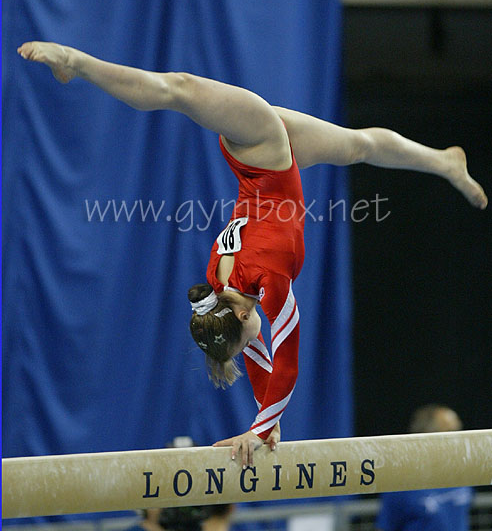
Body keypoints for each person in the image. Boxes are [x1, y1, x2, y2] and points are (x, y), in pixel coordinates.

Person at [17, 41, 488, 468]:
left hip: (257, 143)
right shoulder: (224, 289)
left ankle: (76, 62)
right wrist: (267, 420)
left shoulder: (268, 280)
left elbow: (287, 362)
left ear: (242, 315)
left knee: (178, 89)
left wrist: (261, 427)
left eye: (242, 343)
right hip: (270, 162)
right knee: (359, 146)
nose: (250, 348)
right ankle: (444, 161)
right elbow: (265, 353)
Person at [376, 404, 474, 531]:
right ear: (426, 435)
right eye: (449, 431)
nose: (457, 439)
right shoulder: (401, 483)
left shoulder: (462, 473)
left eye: (458, 431)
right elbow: (385, 526)